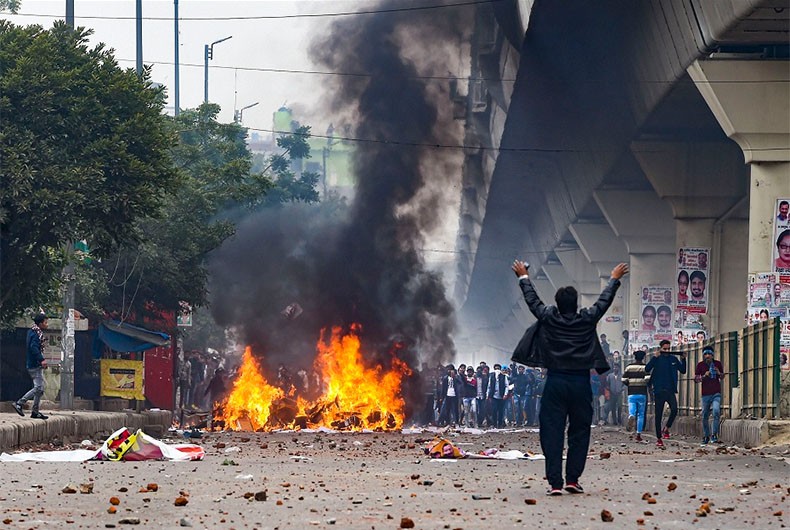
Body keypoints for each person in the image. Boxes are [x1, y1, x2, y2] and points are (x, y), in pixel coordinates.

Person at [512, 259, 628, 496]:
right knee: (580, 430)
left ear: (557, 303)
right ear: (576, 304)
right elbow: (603, 303)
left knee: (552, 430)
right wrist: (614, 278)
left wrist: (523, 277)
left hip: (554, 382)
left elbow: (532, 302)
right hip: (580, 383)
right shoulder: (586, 319)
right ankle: (572, 480)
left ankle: (555, 482)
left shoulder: (549, 318)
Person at [645, 339, 686, 448]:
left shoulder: (673, 359)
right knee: (658, 416)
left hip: (670, 390)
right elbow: (647, 368)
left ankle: (667, 428)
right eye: (665, 349)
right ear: (661, 348)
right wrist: (655, 357)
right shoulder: (657, 359)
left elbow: (683, 370)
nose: (667, 351)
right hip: (658, 391)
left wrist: (683, 359)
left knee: (674, 409)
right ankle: (659, 438)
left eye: (668, 349)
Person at [12, 314, 49, 419]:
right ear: (41, 323)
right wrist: (41, 359)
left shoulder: (33, 331)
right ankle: (19, 403)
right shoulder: (35, 333)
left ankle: (35, 412)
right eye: (45, 322)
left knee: (40, 389)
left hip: (34, 363)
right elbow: (33, 348)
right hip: (34, 364)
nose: (47, 324)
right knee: (38, 388)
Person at [694, 346, 724, 445]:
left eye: (709, 354)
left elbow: (722, 377)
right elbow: (696, 379)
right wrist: (704, 376)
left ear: (712, 355)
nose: (708, 356)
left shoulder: (717, 364)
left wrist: (719, 372)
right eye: (706, 354)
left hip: (716, 392)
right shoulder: (700, 365)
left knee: (716, 411)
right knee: (705, 415)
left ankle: (714, 434)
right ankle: (706, 435)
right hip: (705, 394)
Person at [622, 350, 650, 442]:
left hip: (631, 392)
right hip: (642, 393)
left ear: (634, 357)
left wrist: (630, 384)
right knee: (641, 414)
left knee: (632, 409)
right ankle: (638, 434)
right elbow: (647, 379)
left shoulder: (629, 367)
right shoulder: (645, 367)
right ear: (643, 357)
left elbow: (623, 379)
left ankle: (631, 416)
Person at [487, 363, 508, 428]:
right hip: (494, 396)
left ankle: (500, 424)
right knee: (494, 410)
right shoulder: (492, 376)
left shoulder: (504, 376)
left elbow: (506, 386)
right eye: (496, 369)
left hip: (501, 396)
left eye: (498, 369)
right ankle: (494, 424)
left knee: (501, 410)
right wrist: (488, 395)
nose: (497, 370)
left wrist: (505, 394)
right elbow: (489, 386)